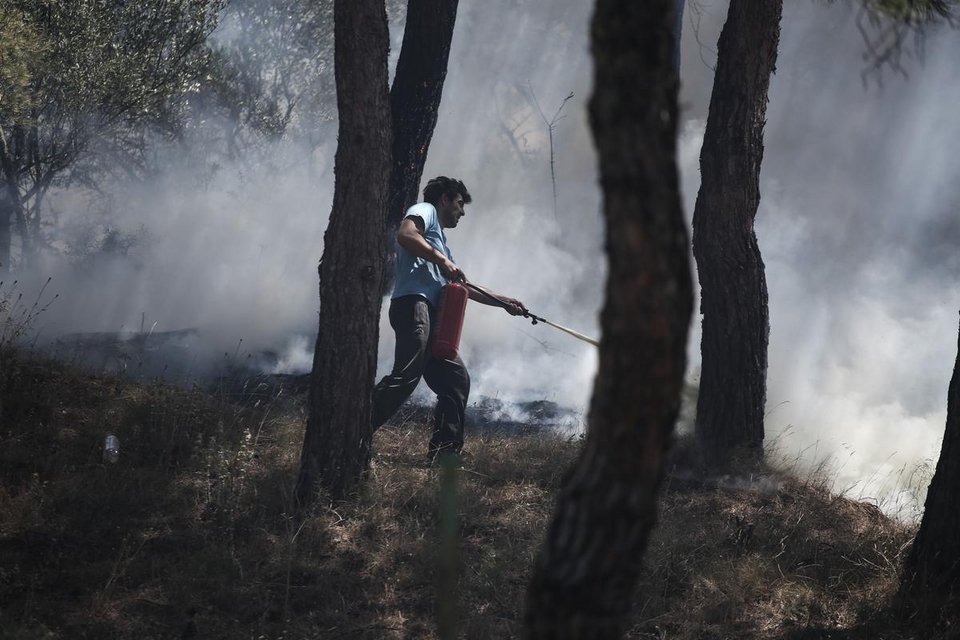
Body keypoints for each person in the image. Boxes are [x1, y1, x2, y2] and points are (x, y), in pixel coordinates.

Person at [371, 176, 527, 462]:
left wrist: (504, 302)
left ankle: (445, 454)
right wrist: (442, 261)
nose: (462, 211)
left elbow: (462, 287)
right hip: (413, 305)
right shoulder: (425, 211)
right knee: (407, 374)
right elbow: (405, 235)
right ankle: (355, 428)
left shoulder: (442, 243)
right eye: (459, 203)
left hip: (432, 315)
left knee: (455, 379)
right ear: (443, 199)